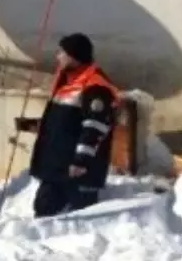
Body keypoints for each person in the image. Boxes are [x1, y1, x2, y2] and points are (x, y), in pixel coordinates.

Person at [14, 32, 120, 217]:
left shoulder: (95, 87)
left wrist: (80, 161)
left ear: (74, 56)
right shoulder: (66, 84)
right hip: (56, 169)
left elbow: (94, 127)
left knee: (79, 222)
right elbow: (65, 121)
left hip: (78, 172)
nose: (58, 57)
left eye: (62, 53)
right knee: (43, 212)